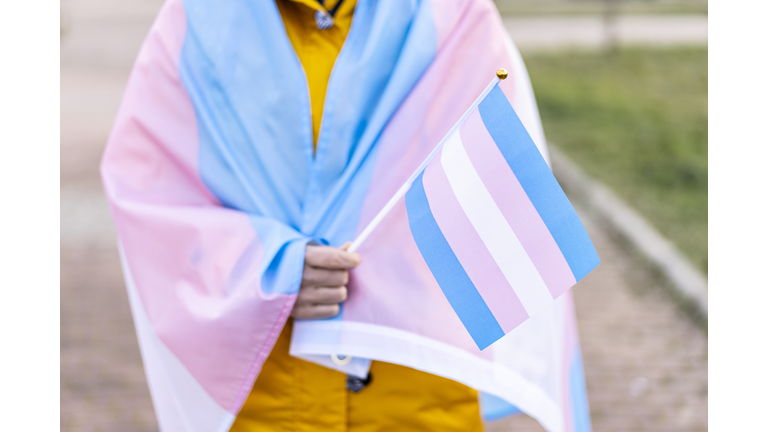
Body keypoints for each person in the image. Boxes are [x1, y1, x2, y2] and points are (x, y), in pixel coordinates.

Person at [101, 0, 592, 431]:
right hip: (269, 403)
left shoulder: (453, 16)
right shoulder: (194, 22)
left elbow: (497, 182)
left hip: (413, 399)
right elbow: (150, 197)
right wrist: (269, 267)